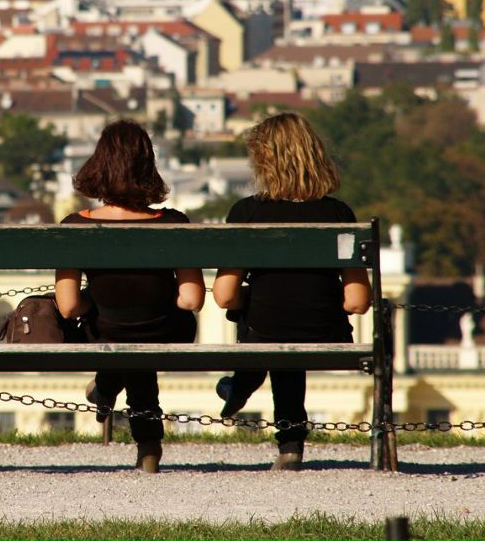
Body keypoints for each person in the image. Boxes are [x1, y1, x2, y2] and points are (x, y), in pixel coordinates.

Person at [212, 112, 371, 471]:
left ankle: (246, 390)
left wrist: (247, 299)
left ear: (263, 161)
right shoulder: (338, 213)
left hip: (264, 330)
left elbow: (224, 296)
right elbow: (358, 302)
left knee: (270, 321)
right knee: (289, 326)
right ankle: (288, 442)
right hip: (325, 330)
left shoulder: (247, 212)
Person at [55, 119, 205, 473]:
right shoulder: (174, 223)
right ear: (147, 165)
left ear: (99, 165)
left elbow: (69, 306)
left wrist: (96, 298)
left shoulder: (75, 226)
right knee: (142, 336)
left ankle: (107, 387)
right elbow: (191, 300)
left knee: (124, 332)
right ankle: (147, 444)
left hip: (106, 331)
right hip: (166, 331)